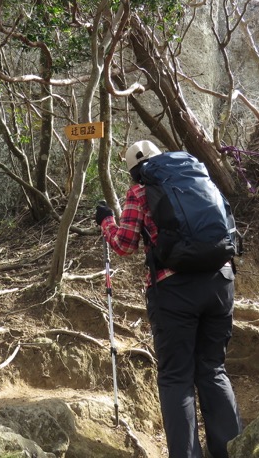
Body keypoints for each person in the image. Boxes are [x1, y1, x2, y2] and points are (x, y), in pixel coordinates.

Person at [95, 140, 242, 458]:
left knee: (177, 377)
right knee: (213, 369)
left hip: (175, 290)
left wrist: (106, 221)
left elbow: (124, 244)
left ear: (135, 170)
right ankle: (232, 451)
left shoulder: (141, 190)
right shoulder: (198, 176)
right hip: (221, 281)